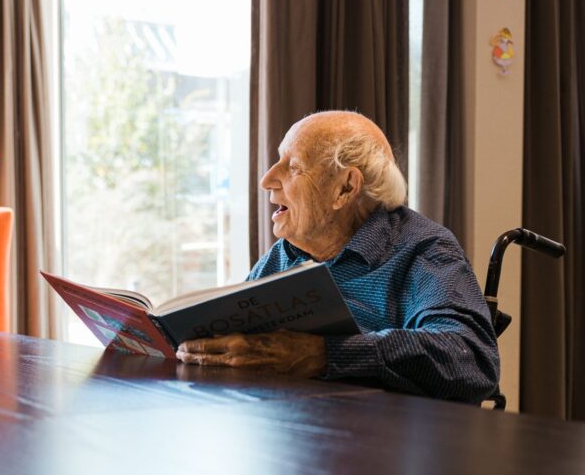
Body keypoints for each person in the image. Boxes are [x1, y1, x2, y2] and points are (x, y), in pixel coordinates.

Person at [177, 111, 500, 403]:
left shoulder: (423, 249)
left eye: (293, 167)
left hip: (383, 445)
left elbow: (471, 361)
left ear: (345, 188)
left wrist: (325, 355)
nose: (267, 180)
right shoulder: (287, 252)